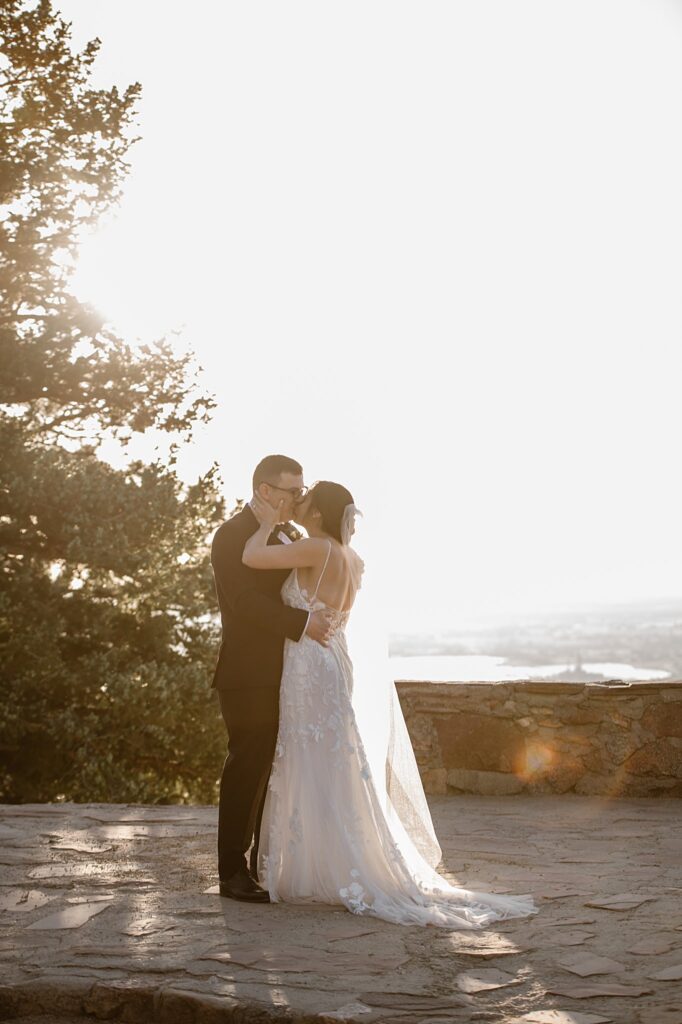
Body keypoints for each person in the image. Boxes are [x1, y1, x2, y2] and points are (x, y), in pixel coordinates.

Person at [242, 480, 538, 928]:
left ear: (319, 514)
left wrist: (263, 523)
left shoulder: (316, 549)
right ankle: (338, 859)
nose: (297, 504)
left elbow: (251, 557)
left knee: (308, 754)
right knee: (334, 758)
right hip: (334, 662)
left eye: (304, 500)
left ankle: (316, 867)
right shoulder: (351, 560)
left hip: (307, 666)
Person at [210, 455, 333, 903]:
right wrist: (302, 623)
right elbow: (243, 602)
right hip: (247, 673)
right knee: (247, 765)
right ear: (265, 491)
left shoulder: (289, 535)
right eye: (292, 491)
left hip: (287, 674)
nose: (299, 498)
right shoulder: (230, 536)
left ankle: (265, 860)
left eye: (301, 491)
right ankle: (230, 871)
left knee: (274, 768)